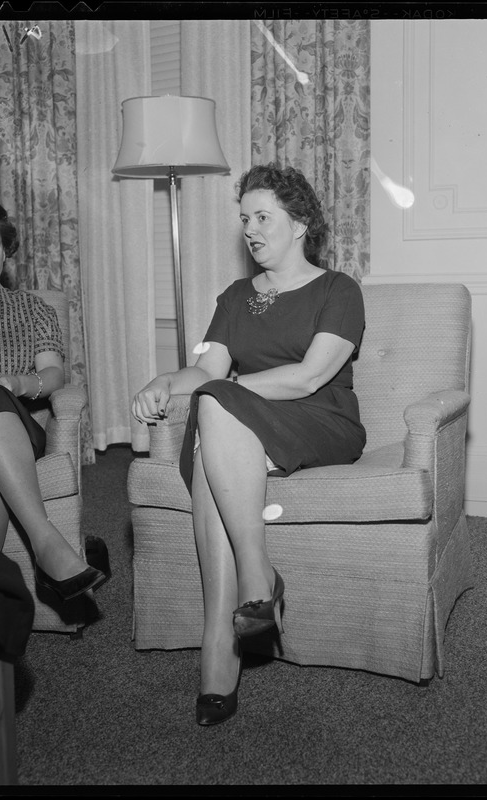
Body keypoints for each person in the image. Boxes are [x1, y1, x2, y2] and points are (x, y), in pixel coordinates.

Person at [132, 164, 366, 726]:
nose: (251, 230)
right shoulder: (236, 296)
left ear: (301, 222)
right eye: (244, 219)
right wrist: (166, 381)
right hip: (239, 420)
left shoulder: (338, 289)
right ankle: (239, 613)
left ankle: (238, 608)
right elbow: (204, 371)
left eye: (264, 217)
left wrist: (222, 390)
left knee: (217, 407)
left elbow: (308, 378)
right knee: (214, 421)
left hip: (319, 419)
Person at [0, 196, 107, 602]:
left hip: (14, 432)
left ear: (6, 250)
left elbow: (53, 374)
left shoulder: (33, 309)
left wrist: (18, 384)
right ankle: (47, 546)